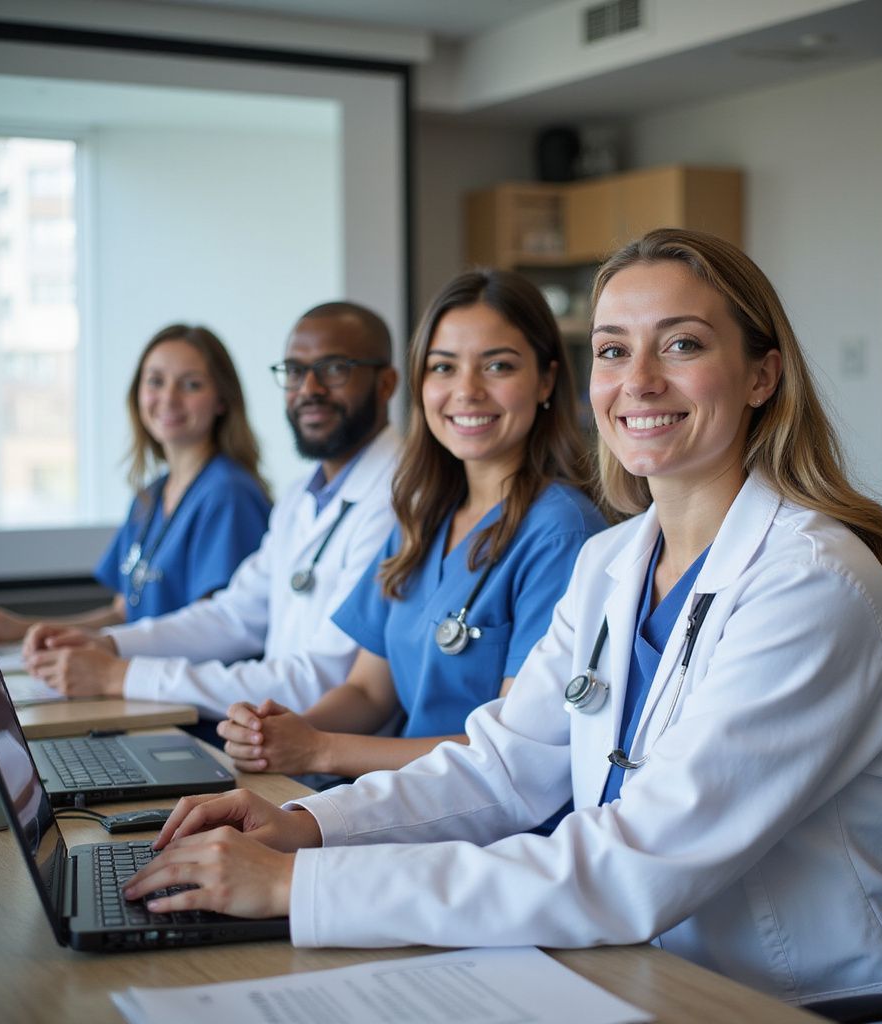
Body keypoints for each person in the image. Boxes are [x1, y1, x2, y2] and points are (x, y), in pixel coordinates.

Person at [122, 229, 882, 1007]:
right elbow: (503, 766)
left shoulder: (811, 587)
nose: (638, 381)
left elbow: (634, 860)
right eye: (612, 350)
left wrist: (294, 889)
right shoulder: (615, 560)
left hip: (805, 1002)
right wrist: (304, 827)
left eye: (681, 344)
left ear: (761, 374)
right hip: (641, 970)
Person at [217, 269, 605, 783]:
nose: (466, 391)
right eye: (443, 367)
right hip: (400, 802)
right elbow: (368, 692)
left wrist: (319, 751)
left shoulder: (562, 534)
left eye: (497, 366)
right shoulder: (423, 516)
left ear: (546, 380)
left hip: (484, 833)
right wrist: (281, 736)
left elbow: (513, 748)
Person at [22, 303, 401, 721]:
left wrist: (122, 675)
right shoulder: (301, 497)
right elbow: (232, 616)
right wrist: (109, 646)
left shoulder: (397, 499)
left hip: (329, 757)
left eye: (334, 369)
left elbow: (325, 680)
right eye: (294, 371)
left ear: (386, 384)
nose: (309, 388)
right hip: (277, 739)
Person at [0, 323, 271, 642]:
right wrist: (19, 629)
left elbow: (213, 631)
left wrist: (108, 663)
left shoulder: (228, 494)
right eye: (156, 381)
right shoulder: (150, 497)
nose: (169, 398)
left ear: (222, 401)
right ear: (138, 394)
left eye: (191, 385)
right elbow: (123, 614)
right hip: (141, 680)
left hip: (187, 688)